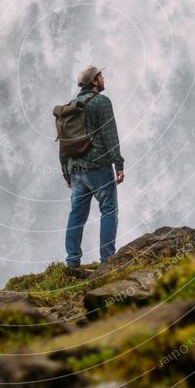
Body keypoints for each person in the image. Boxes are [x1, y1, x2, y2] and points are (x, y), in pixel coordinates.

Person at [60, 65, 125, 273]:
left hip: (75, 168)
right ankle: (107, 261)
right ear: (95, 81)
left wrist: (66, 172)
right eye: (101, 76)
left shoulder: (71, 105)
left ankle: (72, 262)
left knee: (76, 215)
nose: (104, 79)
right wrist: (119, 164)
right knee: (108, 211)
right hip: (98, 167)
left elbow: (63, 141)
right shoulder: (101, 102)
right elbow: (110, 135)